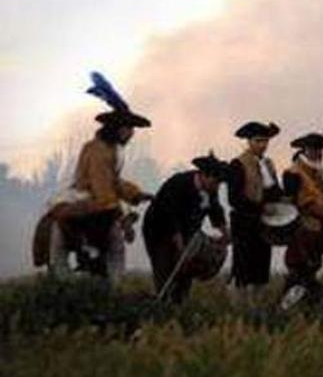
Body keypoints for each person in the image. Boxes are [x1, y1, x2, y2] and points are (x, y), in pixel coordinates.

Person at [47, 108, 154, 284]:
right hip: (89, 204)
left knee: (59, 251)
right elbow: (102, 187)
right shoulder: (100, 152)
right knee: (116, 245)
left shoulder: (106, 149)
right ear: (117, 129)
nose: (131, 134)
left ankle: (70, 285)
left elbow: (113, 181)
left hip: (89, 200)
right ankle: (113, 287)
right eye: (129, 129)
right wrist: (122, 215)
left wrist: (136, 194)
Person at [141, 154, 230, 303]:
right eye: (215, 182)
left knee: (186, 268)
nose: (217, 186)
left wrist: (225, 233)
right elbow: (169, 215)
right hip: (159, 231)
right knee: (166, 269)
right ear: (203, 175)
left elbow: (215, 212)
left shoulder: (210, 191)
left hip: (187, 232)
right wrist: (179, 243)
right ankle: (162, 303)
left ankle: (179, 303)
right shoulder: (179, 184)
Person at [226, 121, 283, 303]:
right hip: (244, 221)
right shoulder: (237, 164)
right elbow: (234, 198)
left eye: (265, 141)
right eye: (258, 141)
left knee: (261, 264)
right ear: (249, 142)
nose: (263, 145)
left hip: (264, 222)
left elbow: (274, 191)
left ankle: (256, 305)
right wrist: (259, 207)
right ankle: (239, 306)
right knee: (243, 265)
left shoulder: (268, 165)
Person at [280, 131, 323, 309]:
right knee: (300, 270)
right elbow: (290, 205)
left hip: (318, 227)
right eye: (314, 149)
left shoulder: (316, 173)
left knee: (311, 269)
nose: (318, 153)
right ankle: (290, 307)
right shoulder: (292, 173)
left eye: (320, 150)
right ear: (305, 150)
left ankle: (307, 305)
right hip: (303, 229)